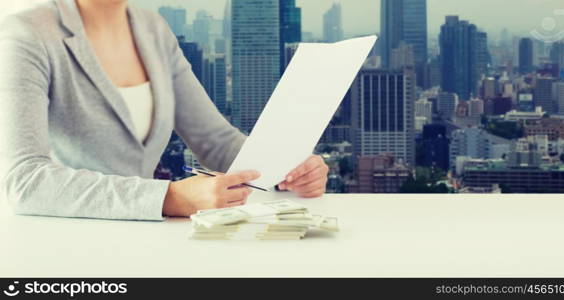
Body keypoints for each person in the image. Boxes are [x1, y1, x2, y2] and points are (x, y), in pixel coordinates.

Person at [0, 0, 329, 220]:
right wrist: (169, 198)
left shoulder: (151, 28)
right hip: (64, 246)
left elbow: (214, 140)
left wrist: (287, 169)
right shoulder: (28, 34)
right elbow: (25, 180)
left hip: (148, 241)